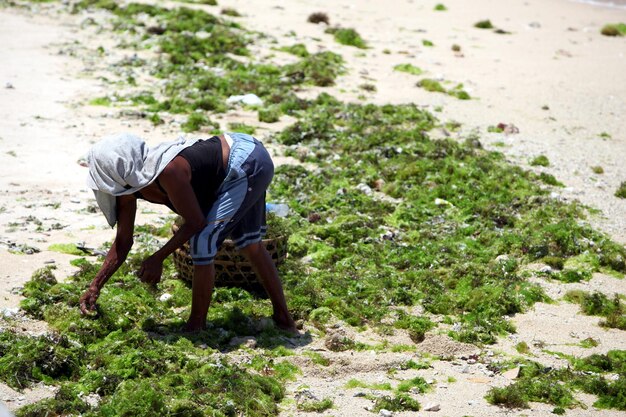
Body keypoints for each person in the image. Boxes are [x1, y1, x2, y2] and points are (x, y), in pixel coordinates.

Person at [79, 132, 297, 333]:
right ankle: (283, 319)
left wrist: (158, 258)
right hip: (238, 165)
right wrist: (96, 285)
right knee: (250, 244)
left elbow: (195, 222)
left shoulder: (168, 171)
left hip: (247, 161)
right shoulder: (128, 191)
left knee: (203, 240)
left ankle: (196, 324)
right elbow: (123, 242)